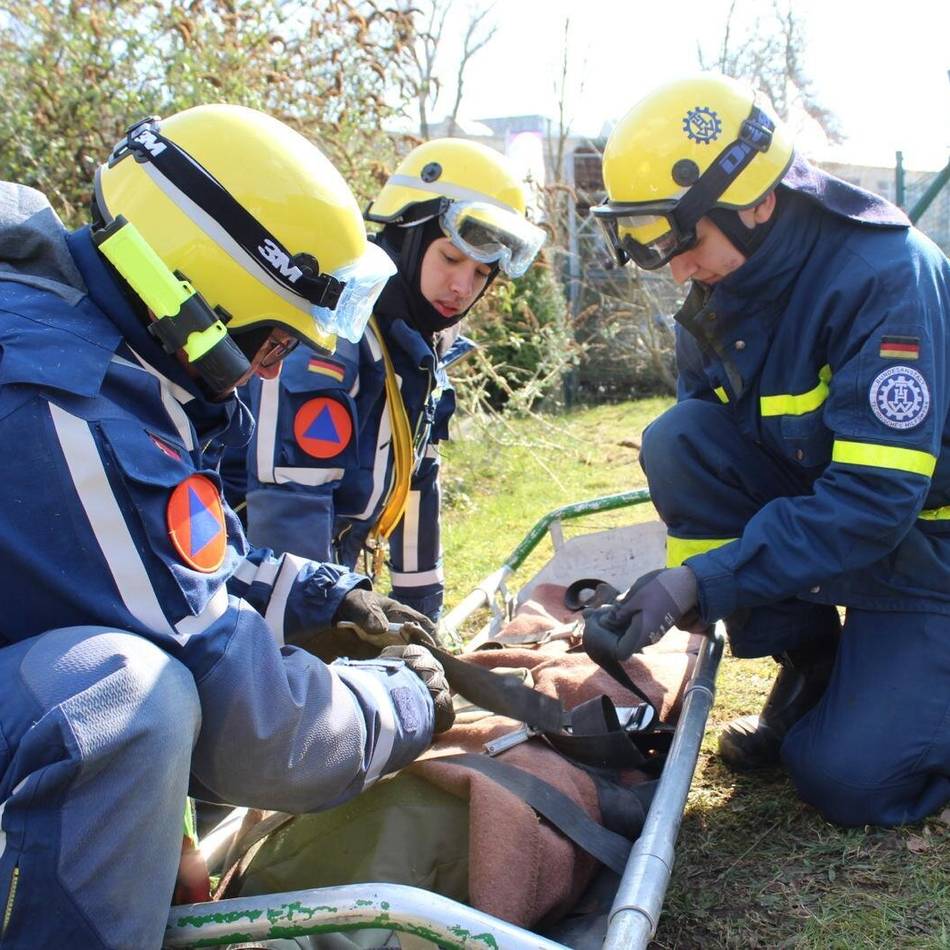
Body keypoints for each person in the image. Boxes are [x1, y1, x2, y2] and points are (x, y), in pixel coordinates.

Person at [0, 104, 455, 949]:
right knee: (125, 701)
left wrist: (327, 599)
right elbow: (267, 741)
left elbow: (175, 563)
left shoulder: (91, 341)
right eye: (276, 339)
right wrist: (404, 702)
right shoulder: (67, 407)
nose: (273, 366)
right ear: (206, 293)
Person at [585, 74, 950, 828]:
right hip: (847, 531)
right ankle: (812, 666)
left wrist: (697, 583)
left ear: (755, 201)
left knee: (848, 779)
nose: (677, 268)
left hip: (930, 549)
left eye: (683, 240)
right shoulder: (718, 293)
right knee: (680, 442)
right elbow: (712, 451)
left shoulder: (884, 278)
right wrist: (679, 584)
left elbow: (877, 498)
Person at [225, 138, 545, 623]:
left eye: (481, 274)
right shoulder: (333, 336)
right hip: (245, 591)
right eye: (450, 259)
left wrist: (424, 622)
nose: (462, 288)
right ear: (408, 239)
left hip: (330, 578)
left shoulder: (421, 354)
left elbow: (419, 492)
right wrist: (327, 641)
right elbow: (289, 512)